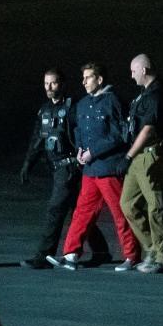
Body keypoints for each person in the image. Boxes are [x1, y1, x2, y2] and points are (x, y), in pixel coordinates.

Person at [47, 63, 140, 271]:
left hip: (108, 168)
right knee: (83, 211)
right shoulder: (83, 104)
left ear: (99, 80)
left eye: (88, 78)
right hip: (90, 170)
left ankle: (132, 255)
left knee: (119, 212)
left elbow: (118, 134)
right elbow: (79, 130)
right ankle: (71, 254)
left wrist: (93, 152)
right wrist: (80, 150)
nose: (84, 82)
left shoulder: (112, 101)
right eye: (83, 78)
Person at [19, 69, 110, 269]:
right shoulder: (44, 110)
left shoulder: (73, 108)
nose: (49, 88)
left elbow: (85, 132)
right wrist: (28, 164)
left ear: (62, 84)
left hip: (69, 168)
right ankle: (102, 251)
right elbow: (38, 140)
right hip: (56, 168)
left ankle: (44, 255)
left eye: (53, 83)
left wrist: (85, 157)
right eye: (46, 84)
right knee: (78, 212)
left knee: (55, 210)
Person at [119, 54, 163, 273]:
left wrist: (128, 156)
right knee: (128, 204)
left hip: (152, 154)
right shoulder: (144, 94)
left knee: (156, 206)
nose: (132, 76)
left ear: (143, 70)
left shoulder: (157, 94)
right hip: (139, 155)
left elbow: (149, 128)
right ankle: (152, 248)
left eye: (134, 71)